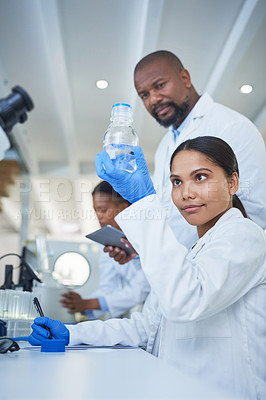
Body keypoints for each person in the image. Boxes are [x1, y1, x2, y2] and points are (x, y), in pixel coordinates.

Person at [29, 137, 266, 399]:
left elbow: (184, 301)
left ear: (232, 182)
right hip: (181, 387)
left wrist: (145, 207)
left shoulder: (245, 236)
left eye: (200, 177)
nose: (186, 192)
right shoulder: (196, 251)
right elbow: (148, 326)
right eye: (177, 181)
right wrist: (72, 334)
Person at [105, 50, 266, 264]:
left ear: (185, 78)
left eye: (160, 85)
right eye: (144, 95)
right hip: (178, 266)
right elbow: (169, 213)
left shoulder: (232, 127)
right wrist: (142, 247)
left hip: (216, 265)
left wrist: (198, 254)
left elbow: (255, 211)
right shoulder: (165, 145)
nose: (153, 99)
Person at [60, 181, 150, 319]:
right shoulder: (108, 244)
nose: (98, 216)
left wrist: (87, 304)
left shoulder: (146, 237)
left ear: (124, 208)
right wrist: (79, 305)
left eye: (103, 210)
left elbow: (143, 287)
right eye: (95, 210)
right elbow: (108, 287)